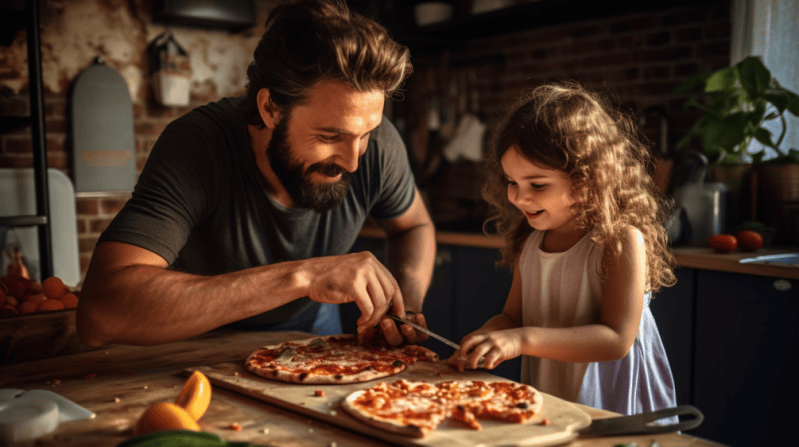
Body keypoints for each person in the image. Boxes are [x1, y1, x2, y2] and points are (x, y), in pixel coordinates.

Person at [76, 0, 436, 348]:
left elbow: (414, 227)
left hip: (315, 336)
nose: (352, 161)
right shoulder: (198, 146)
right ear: (270, 109)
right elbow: (101, 312)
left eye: (366, 133)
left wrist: (408, 306)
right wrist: (304, 276)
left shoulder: (379, 146)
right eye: (329, 136)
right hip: (194, 342)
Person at [447, 82, 678, 416]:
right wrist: (488, 336)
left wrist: (520, 340)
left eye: (537, 185)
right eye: (512, 182)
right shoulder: (531, 240)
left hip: (614, 410)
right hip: (556, 398)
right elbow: (513, 316)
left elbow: (616, 339)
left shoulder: (620, 240)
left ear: (586, 180)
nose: (519, 197)